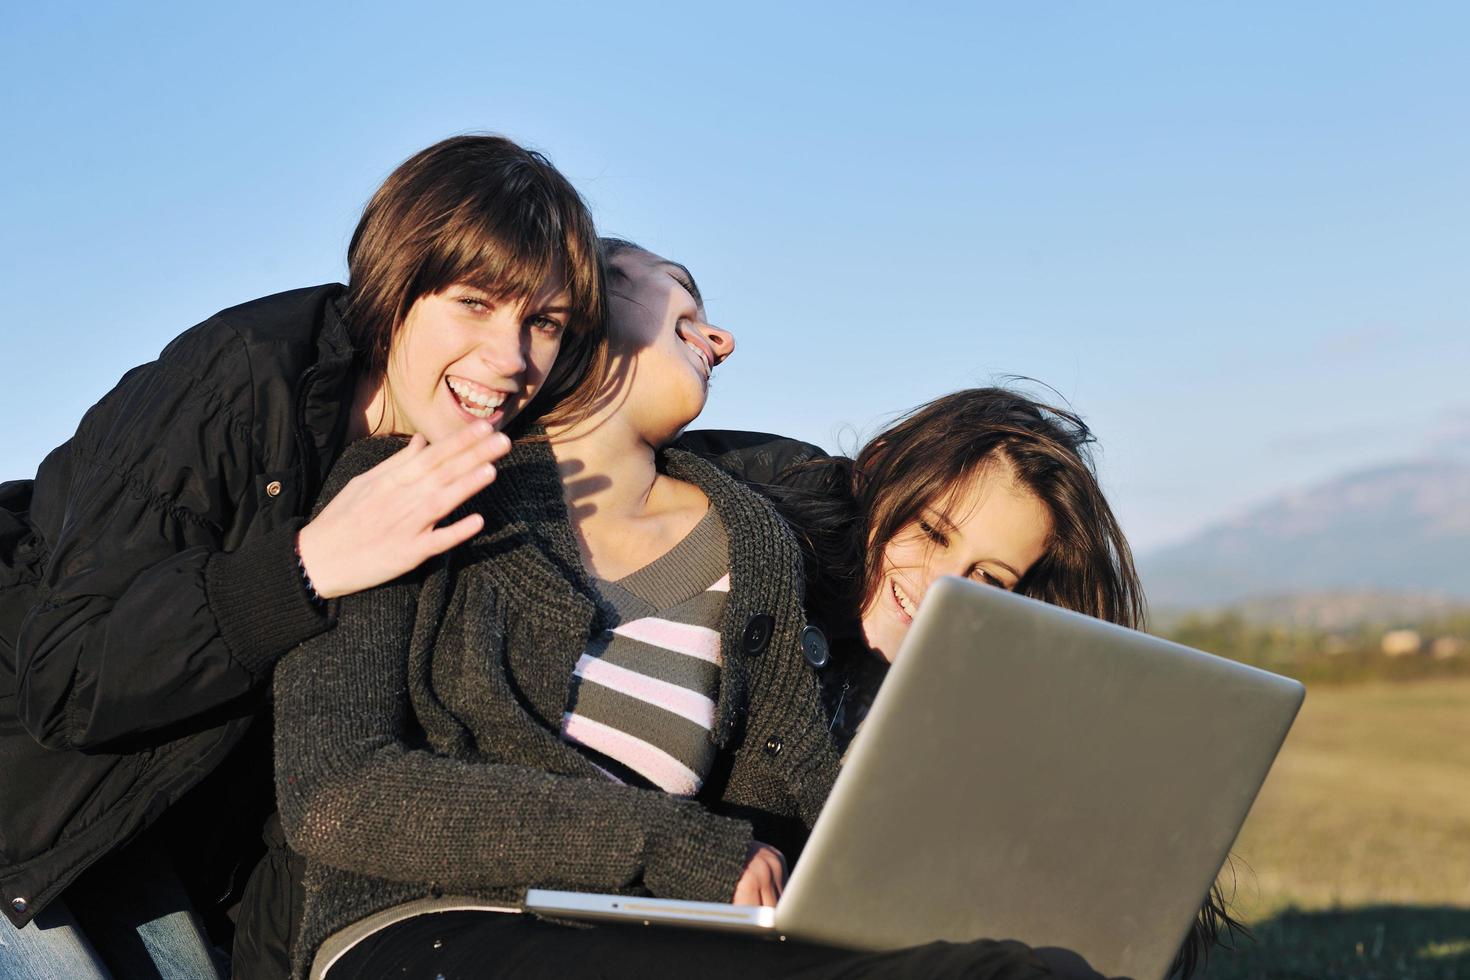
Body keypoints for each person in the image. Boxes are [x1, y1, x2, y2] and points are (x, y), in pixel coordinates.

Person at [273, 243, 1105, 980]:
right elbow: (337, 792)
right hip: (432, 933)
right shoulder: (408, 484)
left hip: (656, 934)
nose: (722, 339)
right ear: (584, 300)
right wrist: (675, 847)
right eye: (683, 299)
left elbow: (786, 793)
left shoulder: (756, 546)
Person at [0, 134, 603, 980]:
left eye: (542, 323)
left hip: (155, 842)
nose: (509, 360)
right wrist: (306, 566)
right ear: (395, 289)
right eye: (473, 302)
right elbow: (65, 678)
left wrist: (849, 510)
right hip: (25, 797)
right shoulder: (240, 380)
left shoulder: (469, 456)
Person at [680, 387, 1246, 977]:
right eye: (931, 532)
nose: (940, 587)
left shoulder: (972, 679)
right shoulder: (737, 525)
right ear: (878, 471)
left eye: (988, 577)